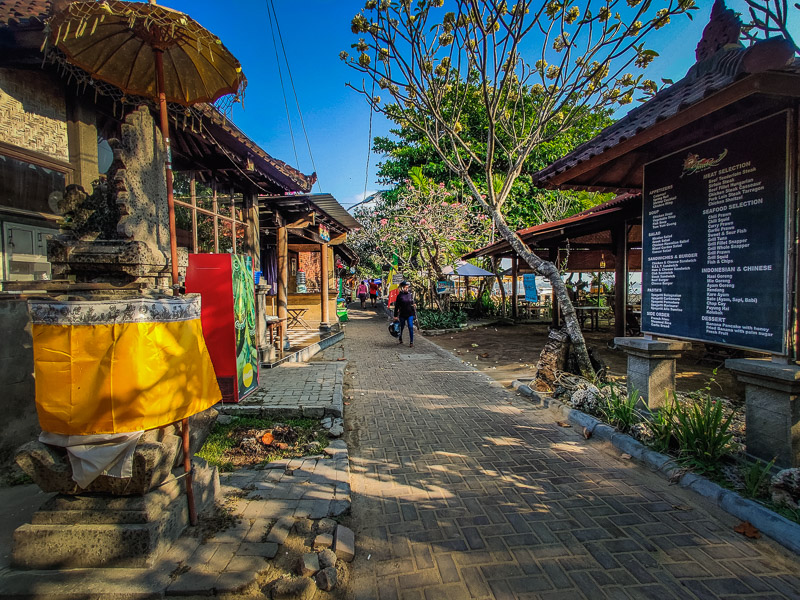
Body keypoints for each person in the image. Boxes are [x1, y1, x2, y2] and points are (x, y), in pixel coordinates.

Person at [393, 281, 417, 347]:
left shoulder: (410, 295)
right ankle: (400, 337)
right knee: (402, 327)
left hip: (410, 314)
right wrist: (395, 316)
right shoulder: (399, 296)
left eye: (407, 287)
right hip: (402, 314)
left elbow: (413, 302)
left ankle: (411, 342)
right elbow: (396, 306)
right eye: (405, 287)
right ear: (402, 288)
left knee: (410, 327)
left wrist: (414, 305)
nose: (407, 289)